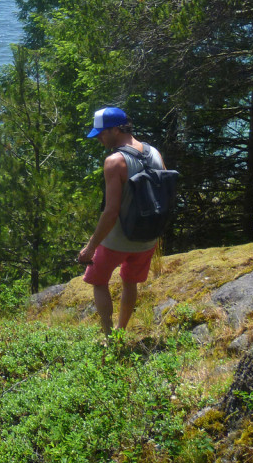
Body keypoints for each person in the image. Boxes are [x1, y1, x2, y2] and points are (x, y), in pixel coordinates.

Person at [77, 107, 164, 335]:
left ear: (116, 130)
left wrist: (90, 247)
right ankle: (121, 331)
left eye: (101, 133)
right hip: (147, 238)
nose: (98, 139)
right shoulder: (155, 153)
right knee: (130, 282)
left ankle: (107, 335)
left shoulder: (114, 161)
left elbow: (111, 212)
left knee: (98, 280)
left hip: (117, 239)